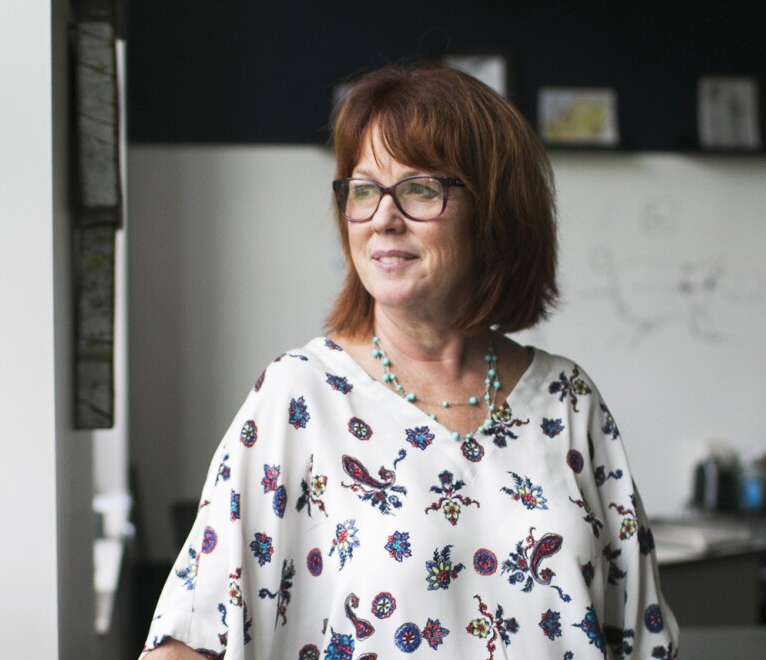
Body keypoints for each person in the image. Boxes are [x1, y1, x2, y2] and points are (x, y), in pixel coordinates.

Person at [140, 63, 679, 659]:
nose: (383, 218)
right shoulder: (299, 399)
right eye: (364, 190)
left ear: (495, 213)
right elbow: (187, 641)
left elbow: (641, 637)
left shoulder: (568, 400)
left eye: (421, 188)